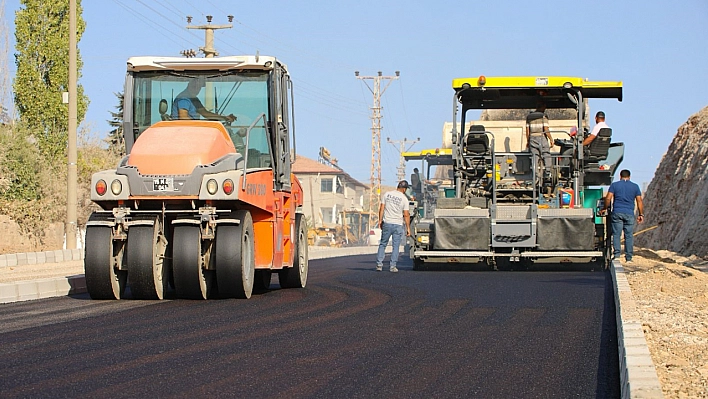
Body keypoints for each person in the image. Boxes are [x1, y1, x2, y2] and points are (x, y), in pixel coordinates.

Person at [604, 169, 644, 264]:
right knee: (629, 236)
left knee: (616, 235)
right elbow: (639, 201)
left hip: (617, 212)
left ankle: (617, 255)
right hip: (629, 214)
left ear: (620, 176)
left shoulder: (615, 185)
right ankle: (628, 258)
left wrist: (604, 208)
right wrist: (640, 214)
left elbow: (608, 198)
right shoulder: (635, 186)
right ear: (629, 177)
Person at [376, 180, 411, 273]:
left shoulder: (387, 194)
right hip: (398, 224)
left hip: (387, 223)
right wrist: (408, 229)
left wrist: (380, 220)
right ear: (404, 189)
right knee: (396, 246)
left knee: (383, 244)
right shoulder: (404, 199)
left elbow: (381, 208)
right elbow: (406, 215)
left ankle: (379, 264)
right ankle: (392, 266)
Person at [171, 79, 236, 122]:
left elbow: (205, 113)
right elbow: (183, 117)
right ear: (189, 84)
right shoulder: (184, 98)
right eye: (195, 86)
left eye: (199, 87)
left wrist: (224, 118)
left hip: (191, 130)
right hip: (184, 132)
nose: (197, 88)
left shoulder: (194, 99)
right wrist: (200, 125)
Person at [526, 101, 554, 178]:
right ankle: (548, 172)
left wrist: (528, 140)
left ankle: (536, 174)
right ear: (543, 107)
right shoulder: (543, 116)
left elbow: (527, 130)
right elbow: (546, 129)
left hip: (532, 137)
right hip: (541, 137)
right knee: (546, 154)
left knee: (535, 156)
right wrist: (551, 139)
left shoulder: (529, 116)